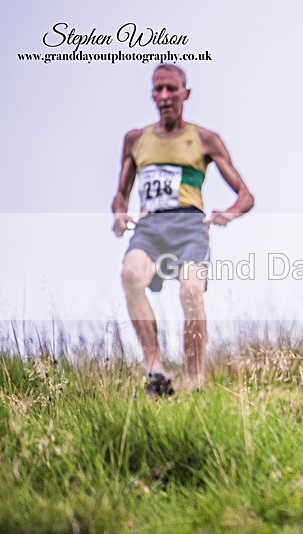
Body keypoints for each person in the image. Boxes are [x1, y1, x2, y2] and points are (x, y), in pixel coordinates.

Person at [111, 64, 254, 396]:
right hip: (149, 228)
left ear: (185, 94)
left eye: (171, 89)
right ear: (151, 94)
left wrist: (228, 214)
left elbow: (246, 195)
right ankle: (156, 371)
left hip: (190, 226)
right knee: (130, 275)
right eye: (158, 89)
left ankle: (196, 382)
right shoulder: (135, 140)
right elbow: (120, 194)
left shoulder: (204, 139)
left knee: (190, 291)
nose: (164, 96)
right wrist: (119, 216)